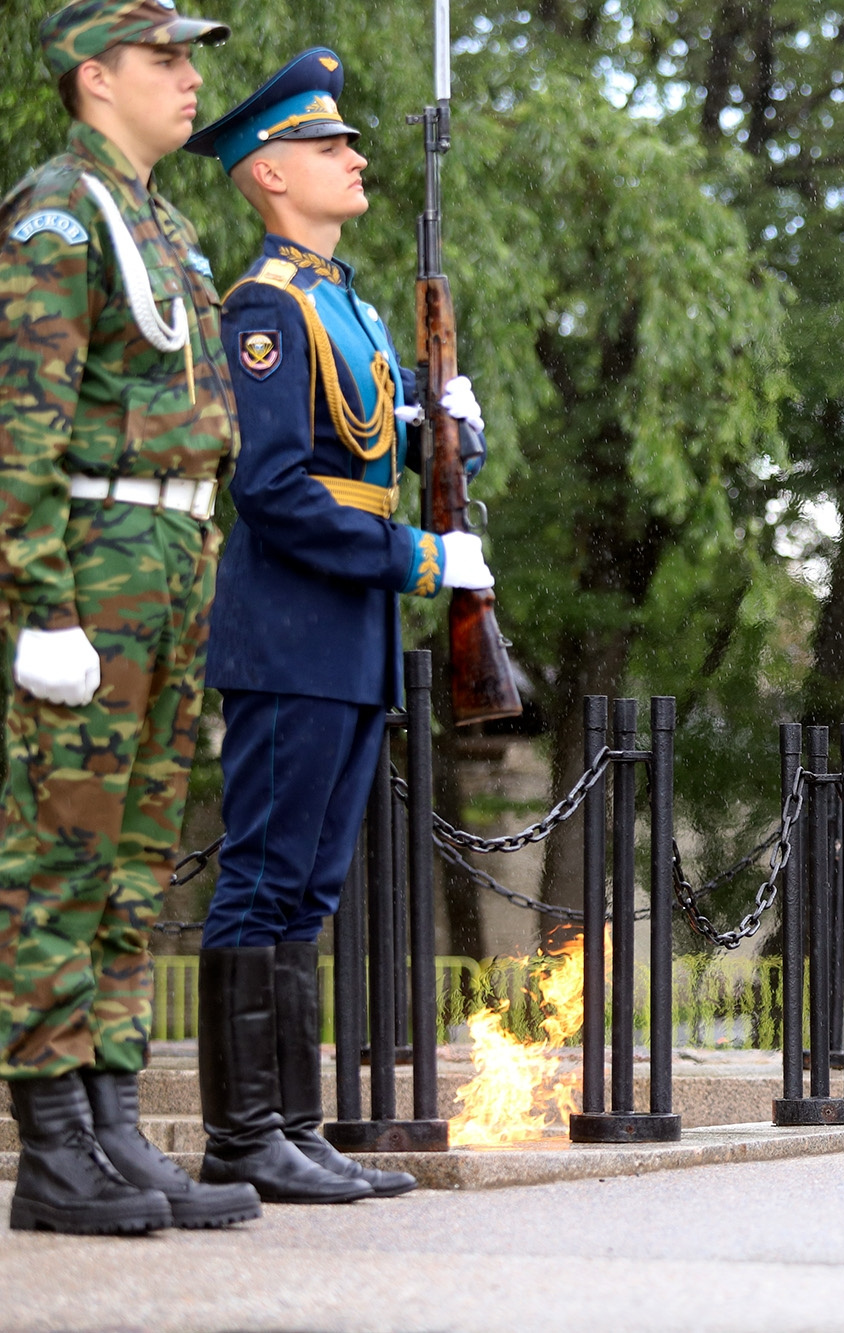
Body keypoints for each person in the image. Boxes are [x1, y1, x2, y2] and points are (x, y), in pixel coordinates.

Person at [180, 48, 494, 1204]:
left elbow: (371, 446)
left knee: (307, 890)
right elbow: (271, 486)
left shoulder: (346, 305)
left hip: (347, 635)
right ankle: (241, 1136)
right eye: (328, 146)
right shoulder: (264, 307)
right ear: (267, 174)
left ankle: (291, 1131)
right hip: (289, 626)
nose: (354, 158)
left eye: (352, 143)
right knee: (263, 883)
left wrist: (443, 426)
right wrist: (417, 554)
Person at [0, 0, 260, 1234]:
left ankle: (112, 1129)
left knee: (134, 862)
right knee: (60, 852)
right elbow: (21, 431)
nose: (187, 79)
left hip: (171, 554)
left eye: (189, 59)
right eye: (164, 59)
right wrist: (40, 609)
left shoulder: (164, 221)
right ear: (94, 77)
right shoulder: (60, 211)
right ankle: (53, 1148)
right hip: (94, 562)